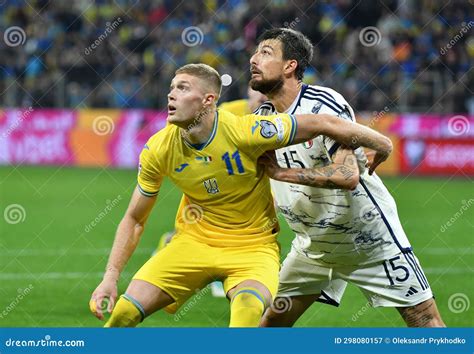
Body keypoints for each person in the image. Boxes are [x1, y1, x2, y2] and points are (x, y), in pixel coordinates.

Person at [89, 63, 392, 327]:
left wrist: (382, 142)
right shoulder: (158, 149)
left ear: (208, 100)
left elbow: (325, 123)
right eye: (171, 88)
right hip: (193, 243)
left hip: (252, 249)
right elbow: (135, 218)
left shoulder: (245, 130)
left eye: (182, 88)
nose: (171, 94)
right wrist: (110, 278)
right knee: (123, 314)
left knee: (247, 320)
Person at [250, 28, 445, 327]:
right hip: (313, 247)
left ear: (290, 66)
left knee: (422, 318)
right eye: (256, 52)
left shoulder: (322, 104)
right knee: (271, 323)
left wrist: (281, 173)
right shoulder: (262, 120)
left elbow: (346, 175)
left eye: (265, 52)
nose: (253, 59)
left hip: (368, 241)